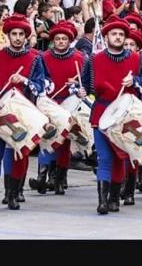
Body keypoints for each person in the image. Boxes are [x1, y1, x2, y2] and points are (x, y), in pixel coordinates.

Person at [77, 16, 142, 215]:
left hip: (126, 115)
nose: (118, 37)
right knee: (104, 158)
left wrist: (135, 81)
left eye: (121, 34)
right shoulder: (94, 59)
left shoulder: (136, 59)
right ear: (107, 36)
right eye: (114, 34)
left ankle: (113, 199)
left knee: (120, 158)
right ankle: (102, 201)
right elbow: (84, 84)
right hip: (101, 113)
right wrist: (82, 91)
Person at [0, 15, 48, 211]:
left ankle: (12, 194)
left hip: (22, 111)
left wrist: (24, 80)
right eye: (14, 34)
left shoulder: (34, 59)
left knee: (16, 154)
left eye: (22, 34)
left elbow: (41, 86)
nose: (18, 37)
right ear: (8, 35)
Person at [38, 22, 86, 195]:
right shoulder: (43, 57)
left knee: (64, 140)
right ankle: (42, 177)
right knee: (46, 136)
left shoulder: (79, 58)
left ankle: (59, 178)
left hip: (68, 102)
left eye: (64, 39)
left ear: (69, 41)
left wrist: (78, 88)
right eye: (57, 39)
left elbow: (85, 82)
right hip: (49, 102)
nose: (60, 42)